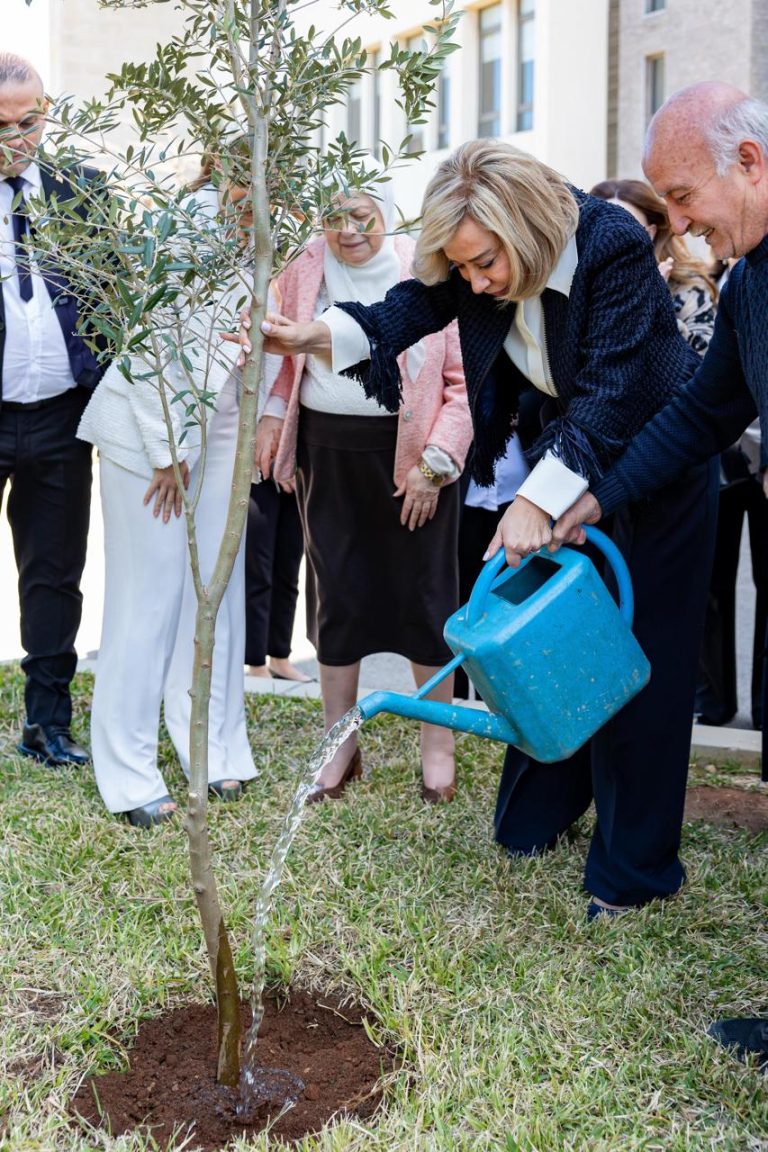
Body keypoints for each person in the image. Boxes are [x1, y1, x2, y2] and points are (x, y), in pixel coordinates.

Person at [245, 139, 718, 917]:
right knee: (549, 647)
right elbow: (407, 309)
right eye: (462, 268)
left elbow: (610, 394)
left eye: (485, 264)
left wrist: (535, 501)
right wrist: (313, 337)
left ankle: (633, 872)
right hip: (568, 459)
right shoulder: (475, 266)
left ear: (524, 228)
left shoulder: (612, 244)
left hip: (652, 464)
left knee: (644, 664)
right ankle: (548, 806)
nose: (476, 283)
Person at [254, 170, 472, 803]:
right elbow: (283, 356)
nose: (348, 231)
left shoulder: (425, 272)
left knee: (426, 600)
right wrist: (274, 415)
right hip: (328, 452)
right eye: (334, 218)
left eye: (362, 217)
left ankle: (438, 743)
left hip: (414, 462)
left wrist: (435, 464)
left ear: (388, 214)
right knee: (337, 598)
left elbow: (464, 385)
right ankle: (340, 744)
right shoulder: (304, 265)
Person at [77, 158, 258, 825]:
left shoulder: (266, 235)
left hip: (225, 428)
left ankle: (212, 745)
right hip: (153, 437)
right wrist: (167, 450)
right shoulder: (185, 227)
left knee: (217, 592)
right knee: (147, 602)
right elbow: (151, 346)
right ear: (228, 169)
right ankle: (127, 773)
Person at [0, 53, 111, 767]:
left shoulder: (83, 191)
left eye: (29, 122)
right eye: (1, 125)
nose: (16, 139)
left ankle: (47, 724)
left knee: (55, 574)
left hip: (63, 416)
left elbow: (113, 299)